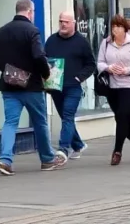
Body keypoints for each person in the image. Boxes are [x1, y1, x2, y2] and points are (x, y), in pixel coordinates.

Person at [0, 0, 68, 176]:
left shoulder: (1, 32)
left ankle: (5, 160)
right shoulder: (32, 31)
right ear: (30, 12)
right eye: (33, 12)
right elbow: (38, 56)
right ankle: (47, 160)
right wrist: (46, 73)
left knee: (10, 123)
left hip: (9, 86)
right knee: (40, 122)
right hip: (32, 87)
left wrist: (9, 71)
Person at [44, 10, 96, 159]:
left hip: (73, 87)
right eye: (61, 21)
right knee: (66, 118)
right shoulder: (51, 41)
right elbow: (44, 60)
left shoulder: (81, 42)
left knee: (67, 116)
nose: (63, 24)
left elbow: (91, 64)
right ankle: (78, 145)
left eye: (66, 22)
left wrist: (79, 78)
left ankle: (63, 149)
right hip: (55, 87)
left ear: (73, 23)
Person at [96, 15, 130, 166]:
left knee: (123, 114)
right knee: (120, 118)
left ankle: (117, 151)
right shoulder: (106, 43)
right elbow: (99, 62)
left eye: (118, 26)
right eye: (113, 27)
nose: (115, 30)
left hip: (128, 86)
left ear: (125, 29)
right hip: (111, 86)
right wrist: (108, 68)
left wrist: (127, 70)